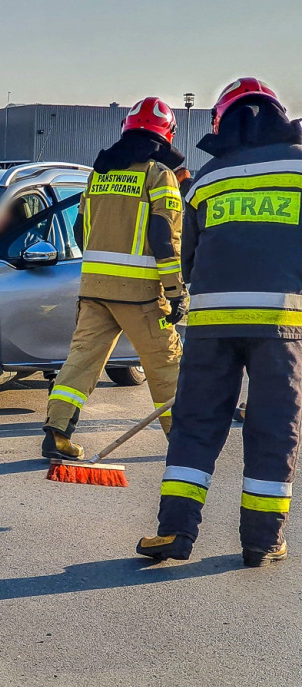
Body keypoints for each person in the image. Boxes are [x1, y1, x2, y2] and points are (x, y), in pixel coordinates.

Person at [137, 78, 302, 567]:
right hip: (281, 324)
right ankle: (261, 539)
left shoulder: (208, 178)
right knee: (273, 427)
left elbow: (186, 261)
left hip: (211, 326)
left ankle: (176, 532)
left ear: (222, 124)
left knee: (196, 424)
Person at [41, 97, 187, 460]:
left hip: (94, 288)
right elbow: (163, 239)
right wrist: (175, 291)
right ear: (166, 134)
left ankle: (57, 434)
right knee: (165, 365)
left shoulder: (99, 174)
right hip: (140, 294)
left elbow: (80, 231)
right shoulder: (159, 175)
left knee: (81, 361)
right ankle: (185, 442)